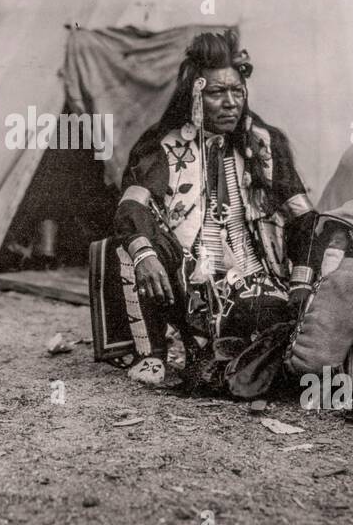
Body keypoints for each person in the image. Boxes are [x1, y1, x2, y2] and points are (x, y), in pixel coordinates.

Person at [111, 31, 316, 393]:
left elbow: (302, 218)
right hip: (187, 277)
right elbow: (131, 206)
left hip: (255, 276)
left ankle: (228, 362)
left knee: (274, 321)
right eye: (217, 93)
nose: (230, 103)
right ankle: (151, 354)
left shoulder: (265, 143)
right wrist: (145, 253)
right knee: (133, 245)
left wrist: (300, 279)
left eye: (237, 92)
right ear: (194, 96)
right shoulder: (165, 145)